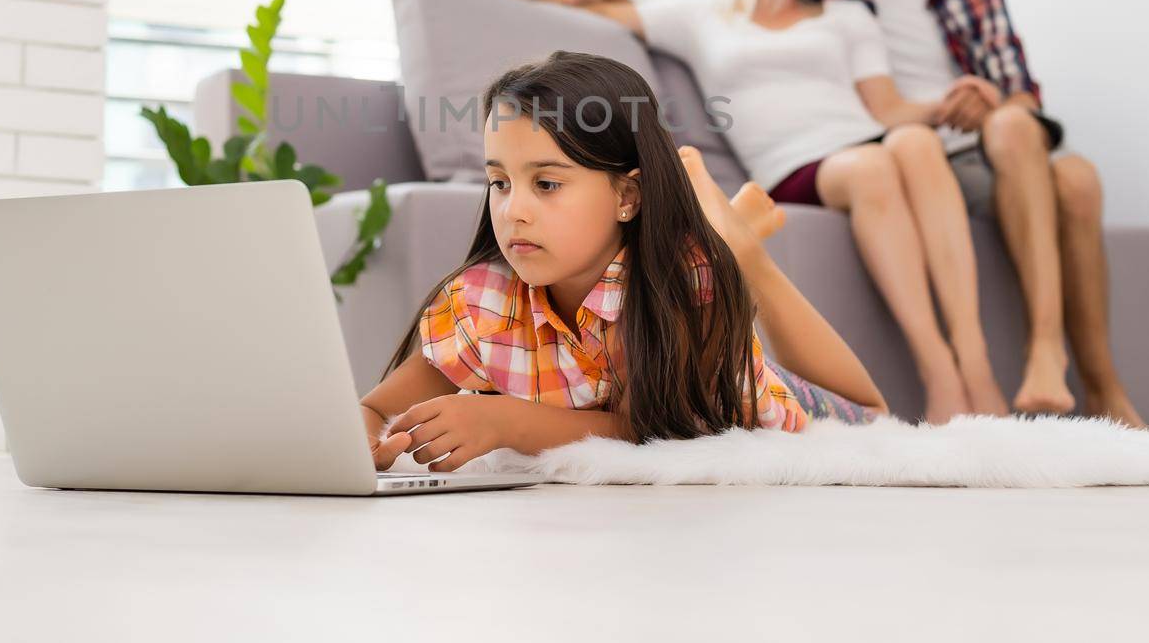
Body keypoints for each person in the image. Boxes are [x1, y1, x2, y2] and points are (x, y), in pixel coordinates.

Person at [473, 0, 1011, 424]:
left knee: (915, 141)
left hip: (865, 140)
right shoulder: (702, 15)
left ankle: (973, 357)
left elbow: (889, 108)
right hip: (799, 163)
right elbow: (604, 8)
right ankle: (937, 369)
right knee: (873, 168)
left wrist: (953, 103)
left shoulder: (848, 15)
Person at [360, 51, 885, 473]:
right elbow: (378, 408)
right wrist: (362, 444)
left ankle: (741, 247)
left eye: (546, 184)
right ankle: (727, 228)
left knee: (872, 414)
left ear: (627, 197)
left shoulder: (679, 285)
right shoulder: (484, 300)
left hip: (738, 390)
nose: (513, 211)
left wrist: (502, 420)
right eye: (500, 182)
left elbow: (649, 433)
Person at [825, 0, 1145, 427]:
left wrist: (989, 101)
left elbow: (1023, 95)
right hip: (923, 160)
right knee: (1074, 180)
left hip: (997, 150)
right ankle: (1099, 388)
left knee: (1032, 136)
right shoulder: (832, 0)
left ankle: (1056, 357)